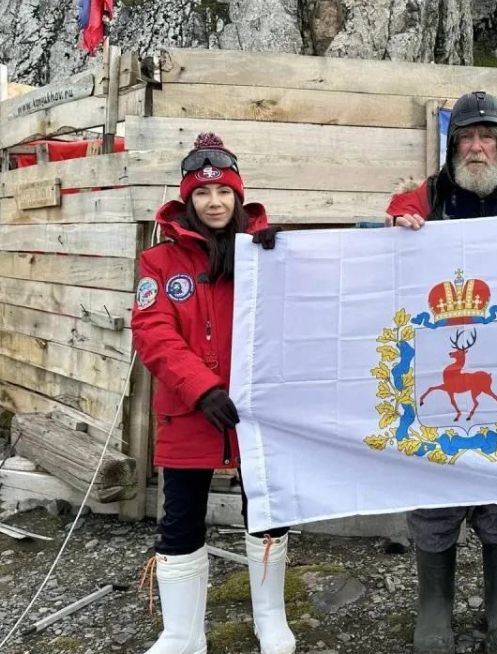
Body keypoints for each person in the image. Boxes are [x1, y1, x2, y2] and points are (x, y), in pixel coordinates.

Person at [386, 90, 497, 654]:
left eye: (488, 136)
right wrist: (396, 231)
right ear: (452, 144)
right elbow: (382, 265)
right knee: (434, 483)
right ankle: (433, 604)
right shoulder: (421, 200)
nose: (478, 147)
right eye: (467, 137)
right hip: (437, 360)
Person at [131, 132, 289, 654]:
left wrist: (281, 262)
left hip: (256, 411)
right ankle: (182, 634)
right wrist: (201, 388)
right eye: (202, 194)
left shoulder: (265, 251)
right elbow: (153, 332)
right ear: (187, 200)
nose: (214, 202)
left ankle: (270, 620)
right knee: (179, 519)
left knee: (265, 510)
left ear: (238, 196)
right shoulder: (159, 262)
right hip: (189, 409)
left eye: (224, 192)